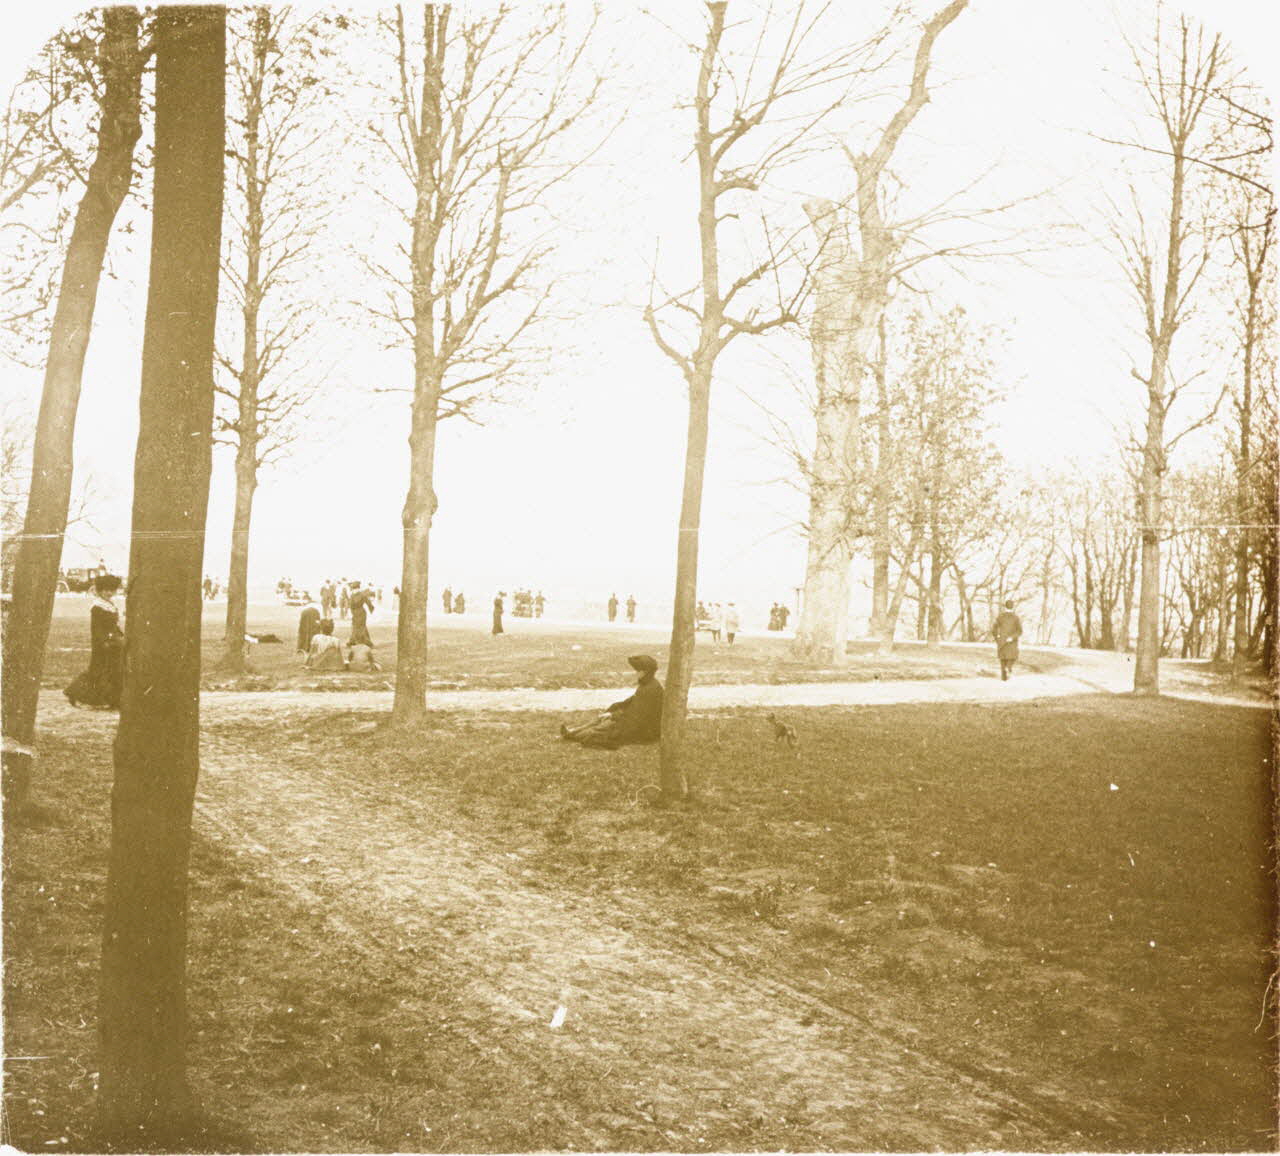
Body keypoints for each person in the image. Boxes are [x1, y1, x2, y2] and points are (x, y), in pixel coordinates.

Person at [559, 655, 663, 749]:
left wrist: (614, 715)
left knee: (600, 730)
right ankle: (572, 732)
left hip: (642, 730)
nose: (636, 673)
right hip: (633, 723)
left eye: (638, 671)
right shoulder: (647, 685)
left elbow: (636, 715)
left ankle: (572, 735)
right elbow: (632, 701)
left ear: (645, 672)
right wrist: (613, 710)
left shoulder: (651, 689)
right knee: (600, 720)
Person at [65, 574, 125, 710]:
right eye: (105, 590)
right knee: (98, 670)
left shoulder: (110, 605)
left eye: (112, 590)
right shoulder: (97, 607)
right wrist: (104, 641)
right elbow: (97, 627)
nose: (109, 593)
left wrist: (120, 635)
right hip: (102, 642)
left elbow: (113, 625)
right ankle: (74, 692)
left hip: (113, 640)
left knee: (114, 669)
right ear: (99, 590)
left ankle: (113, 699)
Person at [992, 599, 1023, 681]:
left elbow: (993, 629)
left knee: (1003, 659)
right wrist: (1012, 637)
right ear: (1013, 607)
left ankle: (1003, 678)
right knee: (1012, 657)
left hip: (1001, 640)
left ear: (1005, 607)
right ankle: (1008, 668)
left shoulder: (1000, 617)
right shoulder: (1016, 618)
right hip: (1012, 642)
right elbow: (1019, 631)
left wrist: (997, 638)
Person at [349, 581, 375, 647]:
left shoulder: (354, 595)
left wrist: (371, 608)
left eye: (355, 588)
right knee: (358, 627)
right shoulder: (360, 595)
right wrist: (371, 609)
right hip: (359, 612)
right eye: (353, 588)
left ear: (357, 588)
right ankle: (353, 641)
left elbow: (351, 605)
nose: (354, 590)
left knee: (359, 627)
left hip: (358, 613)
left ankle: (365, 642)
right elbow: (369, 603)